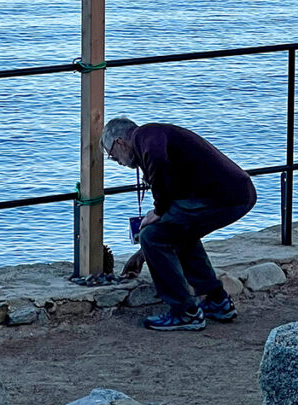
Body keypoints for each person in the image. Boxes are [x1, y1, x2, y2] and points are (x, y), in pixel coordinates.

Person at [101, 117, 257, 332]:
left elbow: (158, 161)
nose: (117, 162)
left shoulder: (146, 138)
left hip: (222, 196)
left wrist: (158, 211)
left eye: (112, 156)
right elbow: (173, 187)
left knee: (152, 236)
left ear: (120, 142)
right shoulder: (151, 136)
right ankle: (217, 301)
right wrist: (142, 254)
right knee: (181, 235)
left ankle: (185, 312)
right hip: (235, 192)